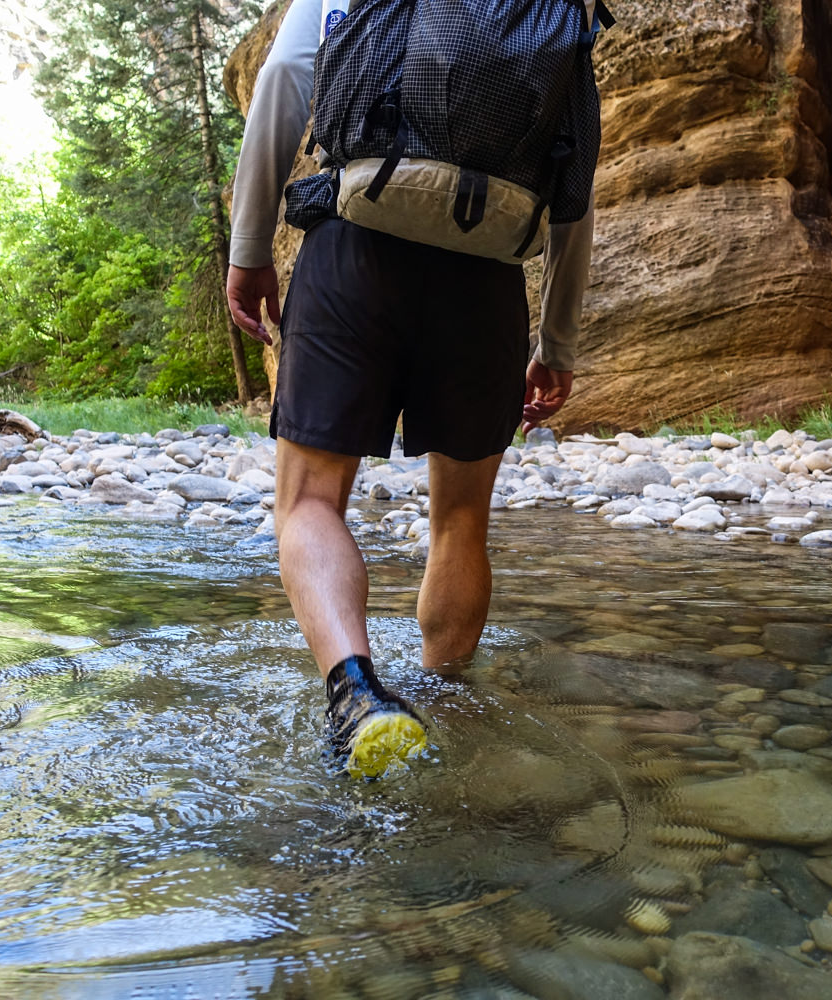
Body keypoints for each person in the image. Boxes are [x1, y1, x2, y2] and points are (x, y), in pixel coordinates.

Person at [225, 0, 595, 778]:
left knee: (310, 501)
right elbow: (574, 178)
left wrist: (251, 246)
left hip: (357, 247)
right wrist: (555, 341)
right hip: (485, 274)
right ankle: (450, 714)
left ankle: (357, 695)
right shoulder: (549, 9)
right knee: (459, 518)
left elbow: (284, 81)